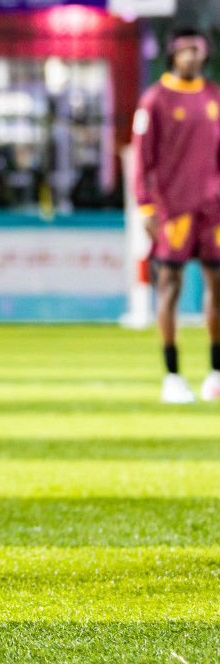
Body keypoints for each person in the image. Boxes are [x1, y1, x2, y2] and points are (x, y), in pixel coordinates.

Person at [131, 28, 220, 404]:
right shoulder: (155, 100)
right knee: (169, 287)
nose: (192, 57)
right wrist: (146, 205)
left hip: (213, 209)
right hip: (173, 210)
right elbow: (141, 158)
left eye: (197, 50)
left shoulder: (214, 96)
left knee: (218, 289)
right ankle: (172, 375)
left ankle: (216, 373)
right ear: (172, 56)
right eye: (185, 50)